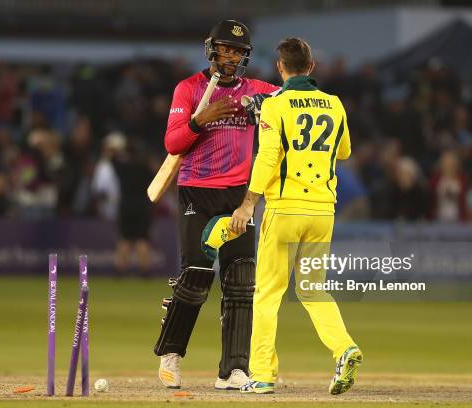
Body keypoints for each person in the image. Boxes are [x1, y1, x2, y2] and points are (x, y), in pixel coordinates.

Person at [229, 37, 362, 395]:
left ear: (280, 68)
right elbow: (345, 151)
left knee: (268, 294)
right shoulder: (334, 105)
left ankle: (262, 375)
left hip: (286, 208)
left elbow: (268, 157)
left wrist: (248, 203)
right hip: (322, 211)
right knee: (313, 290)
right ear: (312, 67)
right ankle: (344, 348)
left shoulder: (276, 104)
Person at [154, 20, 279, 390]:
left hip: (239, 195)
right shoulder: (189, 88)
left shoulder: (256, 89)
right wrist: (198, 120)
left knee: (241, 281)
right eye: (226, 49)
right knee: (194, 277)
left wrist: (269, 105)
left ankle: (234, 370)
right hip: (197, 191)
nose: (232, 57)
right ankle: (171, 356)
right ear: (212, 50)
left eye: (238, 51)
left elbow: (296, 96)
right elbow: (173, 143)